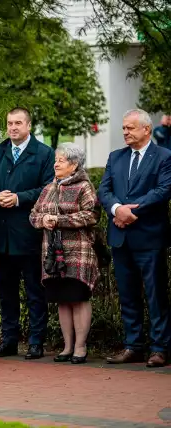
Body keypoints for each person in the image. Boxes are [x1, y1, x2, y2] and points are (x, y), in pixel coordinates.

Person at [98, 108, 171, 368]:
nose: (125, 132)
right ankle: (133, 346)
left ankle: (160, 348)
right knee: (127, 295)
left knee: (155, 295)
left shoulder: (164, 156)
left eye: (130, 128)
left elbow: (162, 191)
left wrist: (129, 210)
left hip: (149, 238)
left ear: (146, 129)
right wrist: (117, 209)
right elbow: (104, 190)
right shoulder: (115, 157)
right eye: (124, 128)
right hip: (120, 237)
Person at [0, 107, 55, 359]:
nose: (13, 127)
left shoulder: (44, 153)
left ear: (29, 126)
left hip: (30, 233)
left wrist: (19, 198)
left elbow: (48, 189)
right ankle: (9, 340)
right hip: (2, 234)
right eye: (10, 123)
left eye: (18, 123)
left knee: (35, 291)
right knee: (6, 291)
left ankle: (36, 342)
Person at [29, 144, 100, 364]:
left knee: (78, 298)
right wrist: (43, 220)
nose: (56, 163)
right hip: (52, 253)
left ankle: (80, 347)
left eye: (61, 160)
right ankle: (67, 346)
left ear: (74, 164)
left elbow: (92, 215)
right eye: (56, 159)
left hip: (78, 252)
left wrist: (60, 220)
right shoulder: (49, 187)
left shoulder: (84, 186)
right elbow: (33, 215)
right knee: (61, 299)